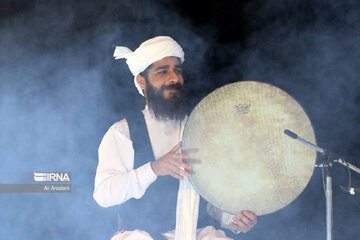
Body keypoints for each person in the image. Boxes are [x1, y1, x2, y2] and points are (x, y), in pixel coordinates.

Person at [93, 36, 257, 240]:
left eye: (177, 71)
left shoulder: (200, 130)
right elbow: (103, 195)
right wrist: (154, 169)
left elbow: (212, 199)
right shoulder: (123, 133)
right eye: (163, 72)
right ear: (142, 80)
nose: (174, 78)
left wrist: (235, 218)